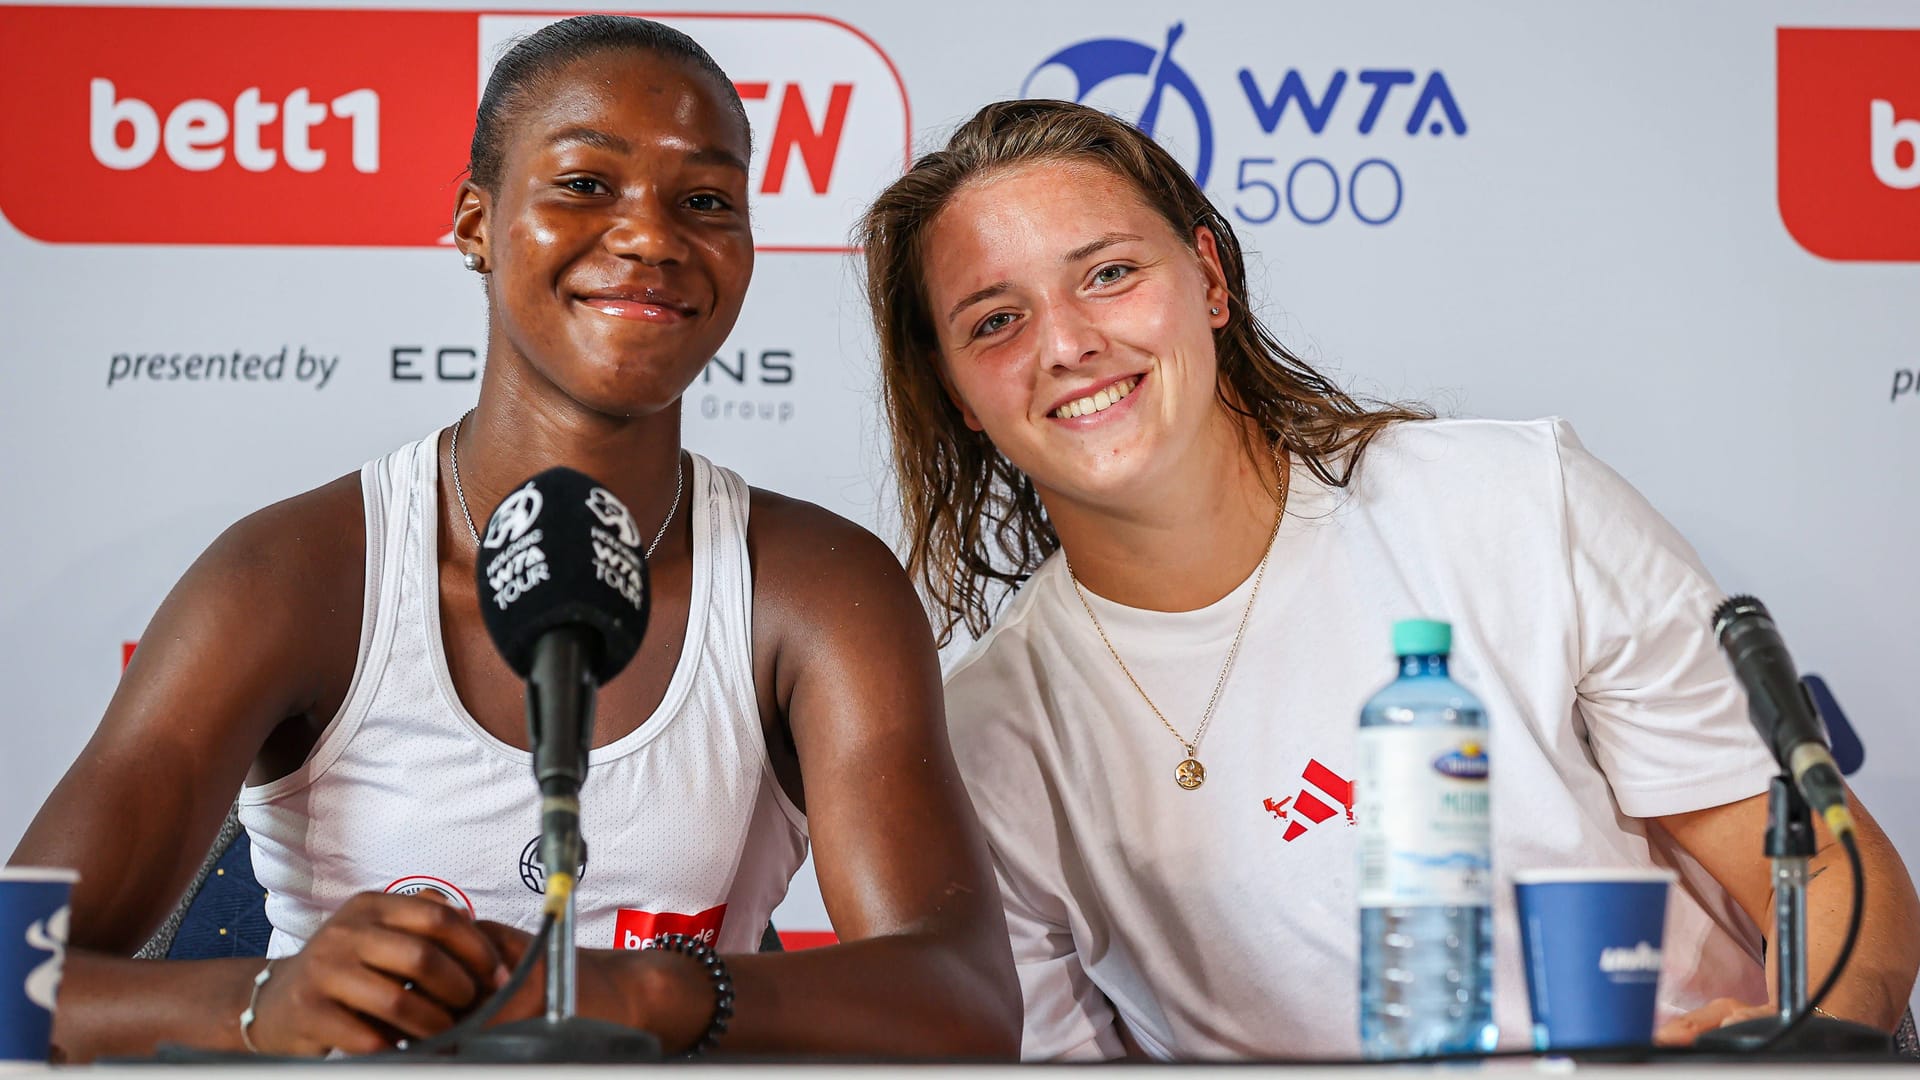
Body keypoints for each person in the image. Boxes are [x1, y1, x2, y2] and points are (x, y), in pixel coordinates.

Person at [9, 16, 1018, 1061]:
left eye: (706, 200)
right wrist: (260, 1003)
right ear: (475, 224)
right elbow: (9, 983)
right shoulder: (296, 575)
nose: (650, 237)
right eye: (586, 184)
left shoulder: (813, 590)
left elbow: (966, 1004)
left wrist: (645, 992)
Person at [858, 98, 1920, 1060]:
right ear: (955, 392)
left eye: (1109, 274)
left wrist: (1807, 1052)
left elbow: (1832, 880)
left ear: (1211, 280)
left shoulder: (1510, 503)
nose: (1069, 345)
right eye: (995, 321)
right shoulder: (983, 743)